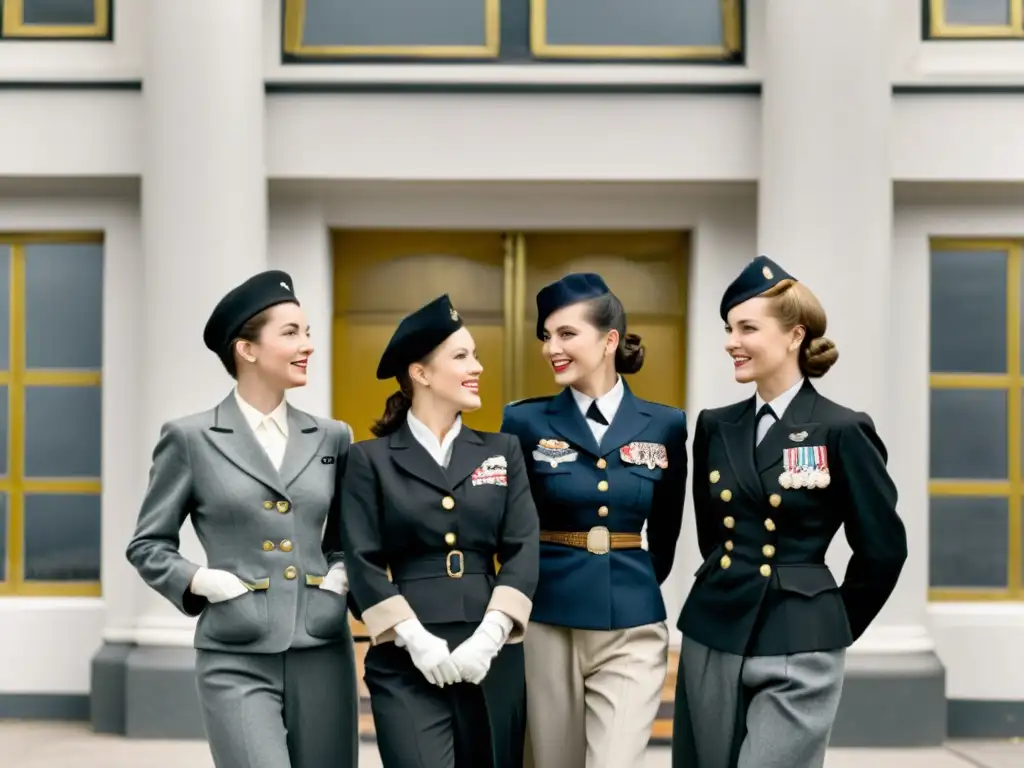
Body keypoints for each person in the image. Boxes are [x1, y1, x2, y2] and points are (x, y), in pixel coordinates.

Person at [671, 256, 908, 768]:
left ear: (795, 336)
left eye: (747, 328)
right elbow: (717, 537)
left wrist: (831, 622)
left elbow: (883, 549)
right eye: (728, 329)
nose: (731, 341)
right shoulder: (716, 425)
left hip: (801, 637)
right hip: (714, 629)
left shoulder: (841, 429)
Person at [125, 270, 359, 768]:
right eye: (291, 332)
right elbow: (149, 545)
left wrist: (339, 576)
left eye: (308, 332)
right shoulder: (190, 439)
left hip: (321, 644)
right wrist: (204, 581)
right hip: (236, 650)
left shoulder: (333, 437)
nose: (308, 346)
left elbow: (344, 539)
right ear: (246, 349)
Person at [339, 293, 540, 768]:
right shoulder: (369, 459)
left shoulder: (501, 451)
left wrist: (491, 635)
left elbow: (523, 547)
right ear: (420, 373)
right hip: (406, 658)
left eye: (475, 354)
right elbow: (360, 557)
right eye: (462, 356)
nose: (478, 367)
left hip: (490, 655)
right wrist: (414, 637)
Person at [500, 273, 689, 768]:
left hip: (632, 622)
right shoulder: (523, 422)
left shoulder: (666, 424)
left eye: (566, 334)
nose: (550, 348)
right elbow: (510, 525)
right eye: (546, 336)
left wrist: (636, 577)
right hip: (548, 619)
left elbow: (666, 531)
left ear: (608, 341)